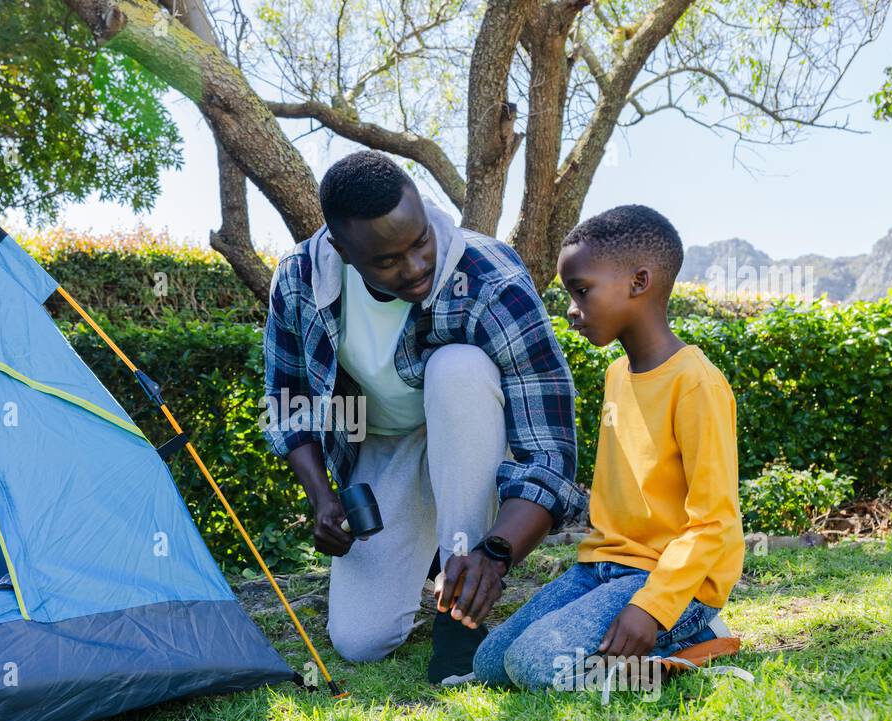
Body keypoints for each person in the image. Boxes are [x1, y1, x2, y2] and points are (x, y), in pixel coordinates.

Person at [261, 150, 584, 683]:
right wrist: (323, 498)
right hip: (387, 445)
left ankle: (459, 615)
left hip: (473, 432)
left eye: (420, 243)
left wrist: (495, 554)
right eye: (387, 261)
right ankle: (438, 561)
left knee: (457, 367)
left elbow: (549, 446)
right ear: (342, 249)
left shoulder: (490, 274)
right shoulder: (299, 279)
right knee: (359, 640)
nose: (414, 269)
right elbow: (288, 398)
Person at [473, 205, 744, 691]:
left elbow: (714, 522)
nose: (572, 310)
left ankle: (691, 636)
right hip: (602, 569)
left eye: (582, 291)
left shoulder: (696, 383)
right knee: (492, 662)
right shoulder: (617, 374)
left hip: (672, 585)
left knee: (535, 665)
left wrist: (651, 608)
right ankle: (653, 638)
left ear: (639, 282)